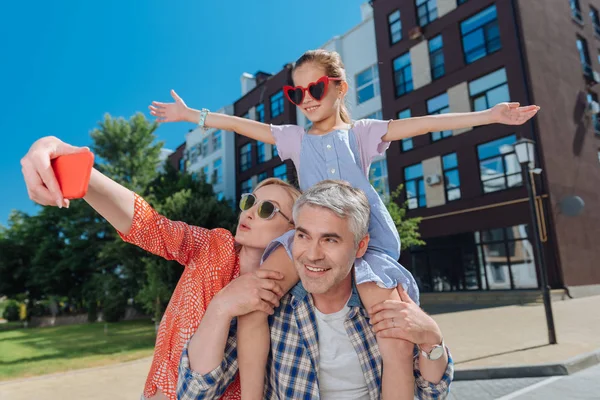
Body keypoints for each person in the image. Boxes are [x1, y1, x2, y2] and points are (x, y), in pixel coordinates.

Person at [150, 49, 539, 400]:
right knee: (256, 301)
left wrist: (489, 116)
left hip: (360, 236)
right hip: (310, 230)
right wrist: (192, 116)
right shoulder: (293, 138)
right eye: (295, 93)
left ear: (340, 88)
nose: (305, 100)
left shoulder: (361, 134)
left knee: (392, 328)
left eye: (315, 89)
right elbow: (239, 125)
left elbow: (423, 124)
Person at [19, 135, 302, 400]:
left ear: (292, 230)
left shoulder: (289, 296)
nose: (250, 211)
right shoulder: (214, 245)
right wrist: (82, 171)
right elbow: (150, 227)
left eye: (268, 209)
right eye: (249, 201)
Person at [178, 180, 454, 400]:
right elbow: (194, 393)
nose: (312, 255)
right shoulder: (271, 307)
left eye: (330, 240)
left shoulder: (382, 304)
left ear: (360, 246)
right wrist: (220, 307)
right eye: (303, 236)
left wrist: (432, 339)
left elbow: (431, 392)